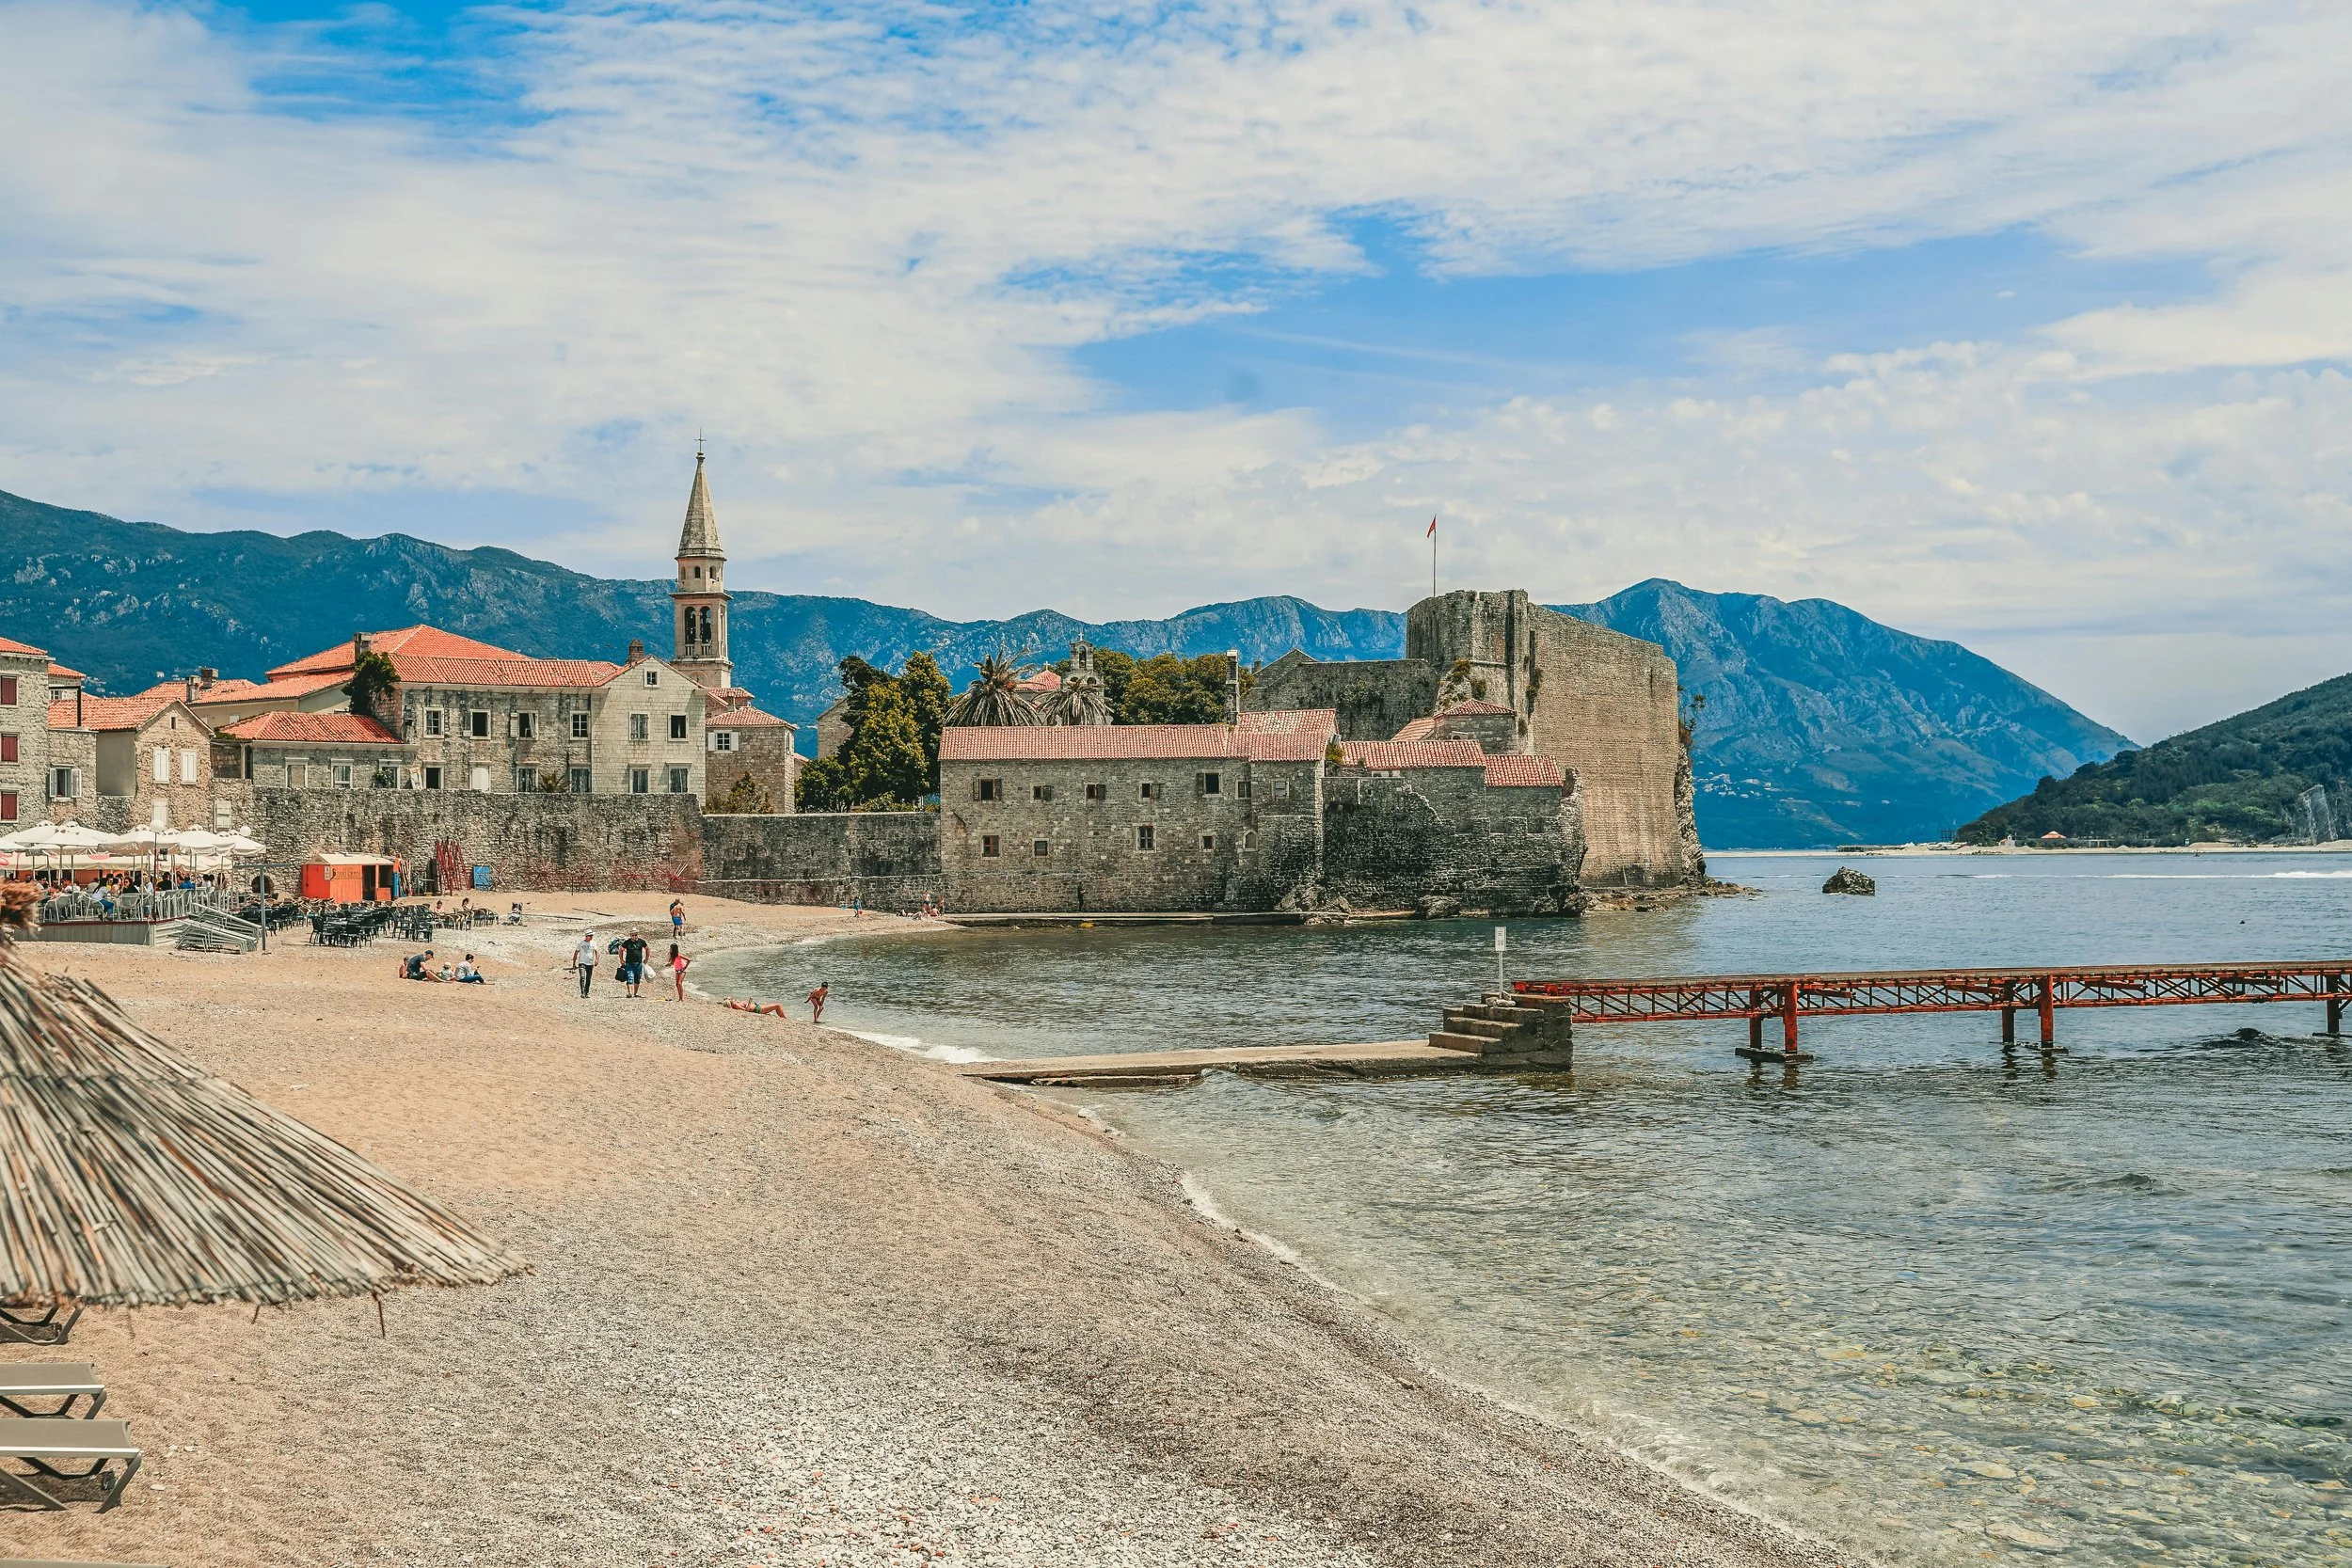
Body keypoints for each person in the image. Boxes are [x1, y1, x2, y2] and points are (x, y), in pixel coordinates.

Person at [620, 930, 649, 998]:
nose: (634, 936)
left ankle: (635, 993)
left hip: (638, 963)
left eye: (635, 935)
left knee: (637, 978)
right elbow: (621, 950)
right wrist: (621, 960)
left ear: (637, 934)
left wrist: (646, 958)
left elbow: (647, 949)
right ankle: (630, 992)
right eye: (633, 935)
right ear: (630, 935)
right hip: (629, 963)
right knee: (629, 977)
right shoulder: (627, 942)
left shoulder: (641, 942)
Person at [571, 932, 598, 997]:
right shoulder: (580, 943)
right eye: (590, 935)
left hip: (590, 963)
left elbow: (597, 952)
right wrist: (574, 964)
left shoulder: (593, 943)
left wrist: (597, 960)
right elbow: (576, 953)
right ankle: (582, 992)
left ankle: (586, 992)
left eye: (592, 935)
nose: (591, 937)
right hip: (582, 963)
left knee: (588, 978)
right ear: (586, 936)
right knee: (582, 977)